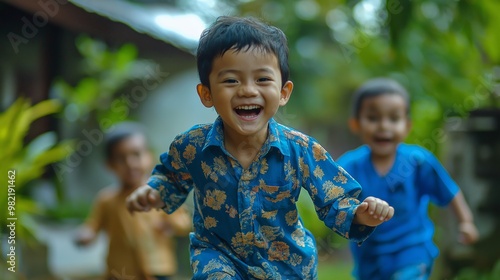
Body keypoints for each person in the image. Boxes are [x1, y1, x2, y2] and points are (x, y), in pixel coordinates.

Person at [126, 16, 394, 279]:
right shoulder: (191, 147)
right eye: (231, 80)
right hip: (218, 257)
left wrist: (360, 214)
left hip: (287, 266)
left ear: (283, 92)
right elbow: (171, 178)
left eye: (262, 80)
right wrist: (153, 192)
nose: (247, 90)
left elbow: (335, 199)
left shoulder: (300, 149)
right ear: (206, 94)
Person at [336, 78, 479, 280]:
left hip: (412, 252)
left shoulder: (417, 161)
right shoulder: (348, 166)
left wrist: (466, 221)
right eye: (373, 118)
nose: (384, 126)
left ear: (407, 125)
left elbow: (449, 191)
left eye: (394, 119)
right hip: (369, 259)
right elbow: (332, 202)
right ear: (356, 124)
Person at [74, 122, 192, 280]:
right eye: (121, 158)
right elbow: (93, 226)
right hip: (120, 271)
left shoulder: (163, 193)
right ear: (110, 164)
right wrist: (85, 235)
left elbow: (184, 222)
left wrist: (171, 224)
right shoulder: (106, 200)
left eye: (136, 154)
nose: (130, 164)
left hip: (157, 268)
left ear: (149, 156)